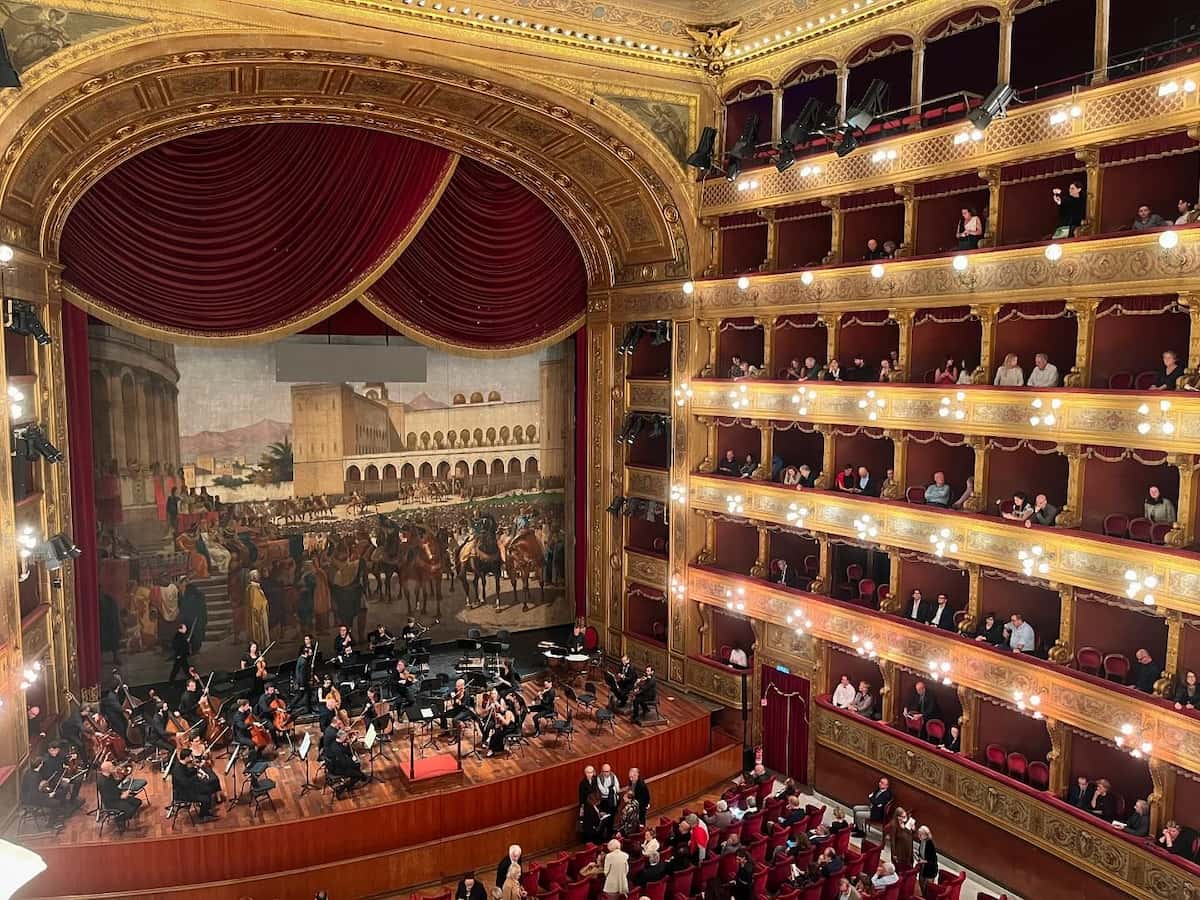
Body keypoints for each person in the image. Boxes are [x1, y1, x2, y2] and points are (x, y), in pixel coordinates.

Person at [97, 760, 142, 831]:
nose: (114, 767)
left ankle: (127, 816)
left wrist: (125, 775)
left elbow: (114, 784)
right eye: (112, 766)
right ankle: (118, 819)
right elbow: (107, 797)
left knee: (138, 802)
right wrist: (121, 796)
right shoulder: (102, 782)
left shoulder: (109, 775)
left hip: (118, 796)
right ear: (107, 769)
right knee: (131, 810)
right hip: (112, 802)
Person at [915, 825, 939, 890]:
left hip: (930, 869)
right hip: (923, 867)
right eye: (918, 834)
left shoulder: (930, 844)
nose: (919, 836)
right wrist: (918, 855)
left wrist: (923, 861)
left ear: (926, 835)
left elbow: (933, 860)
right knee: (921, 883)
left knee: (927, 888)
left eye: (921, 834)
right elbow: (923, 854)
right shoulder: (921, 841)